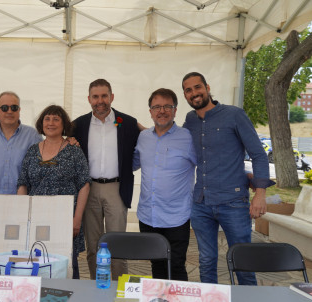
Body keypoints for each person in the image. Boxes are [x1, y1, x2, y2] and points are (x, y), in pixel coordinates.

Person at [181, 72, 274, 285]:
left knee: (242, 261)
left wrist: (260, 194)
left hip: (233, 203)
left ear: (207, 87)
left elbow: (259, 155)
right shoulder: (190, 120)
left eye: (197, 87)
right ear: (185, 95)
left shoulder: (234, 115)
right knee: (206, 260)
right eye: (188, 90)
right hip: (201, 203)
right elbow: (176, 142)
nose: (194, 93)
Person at [73, 79, 140, 280]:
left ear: (111, 97)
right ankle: (97, 286)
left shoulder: (127, 122)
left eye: (104, 96)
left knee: (118, 245)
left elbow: (149, 139)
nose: (100, 101)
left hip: (116, 189)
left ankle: (119, 288)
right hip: (89, 188)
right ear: (89, 99)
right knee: (93, 246)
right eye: (95, 96)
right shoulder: (78, 125)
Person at [17, 105, 91, 279]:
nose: (51, 123)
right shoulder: (32, 150)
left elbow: (84, 185)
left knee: (66, 265)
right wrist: (21, 214)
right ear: (41, 124)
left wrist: (77, 219)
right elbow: (22, 183)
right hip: (36, 219)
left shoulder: (74, 150)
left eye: (56, 119)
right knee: (37, 264)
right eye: (47, 119)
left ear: (64, 124)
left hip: (65, 219)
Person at [133, 88, 196, 281]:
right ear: (150, 111)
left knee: (176, 266)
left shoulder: (188, 137)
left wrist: (247, 174)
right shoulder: (143, 138)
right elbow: (131, 164)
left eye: (167, 106)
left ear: (175, 110)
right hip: (148, 215)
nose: (162, 111)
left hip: (176, 217)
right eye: (157, 107)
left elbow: (210, 165)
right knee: (156, 265)